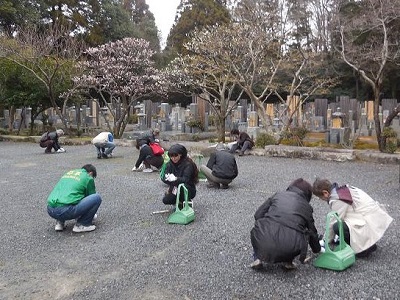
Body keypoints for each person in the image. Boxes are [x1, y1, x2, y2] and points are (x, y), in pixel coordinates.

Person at [250, 178, 321, 270]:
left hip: (263, 240)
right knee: (300, 233)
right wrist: (317, 249)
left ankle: (258, 257)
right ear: (308, 194)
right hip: (289, 247)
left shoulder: (278, 195)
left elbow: (258, 215)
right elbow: (312, 232)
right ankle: (288, 261)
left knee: (261, 227)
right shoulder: (307, 207)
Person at [312, 178, 393, 258]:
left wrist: (325, 241)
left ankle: (363, 250)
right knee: (343, 223)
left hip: (367, 222)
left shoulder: (337, 199)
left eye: (320, 198)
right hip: (373, 218)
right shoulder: (343, 189)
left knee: (337, 226)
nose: (321, 200)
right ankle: (368, 243)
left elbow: (334, 220)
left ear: (325, 193)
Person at [46, 164, 101, 233]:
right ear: (91, 173)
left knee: (65, 196)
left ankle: (59, 223)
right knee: (96, 198)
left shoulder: (69, 173)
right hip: (66, 211)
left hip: (50, 209)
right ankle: (82, 224)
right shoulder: (88, 177)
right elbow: (90, 196)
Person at [161, 144, 198, 208]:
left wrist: (175, 179)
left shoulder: (188, 164)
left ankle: (186, 201)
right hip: (175, 187)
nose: (173, 158)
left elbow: (186, 179)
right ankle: (179, 201)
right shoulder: (169, 164)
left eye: (175, 156)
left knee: (182, 187)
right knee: (166, 200)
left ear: (180, 154)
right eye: (171, 156)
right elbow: (164, 177)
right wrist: (167, 178)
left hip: (188, 188)